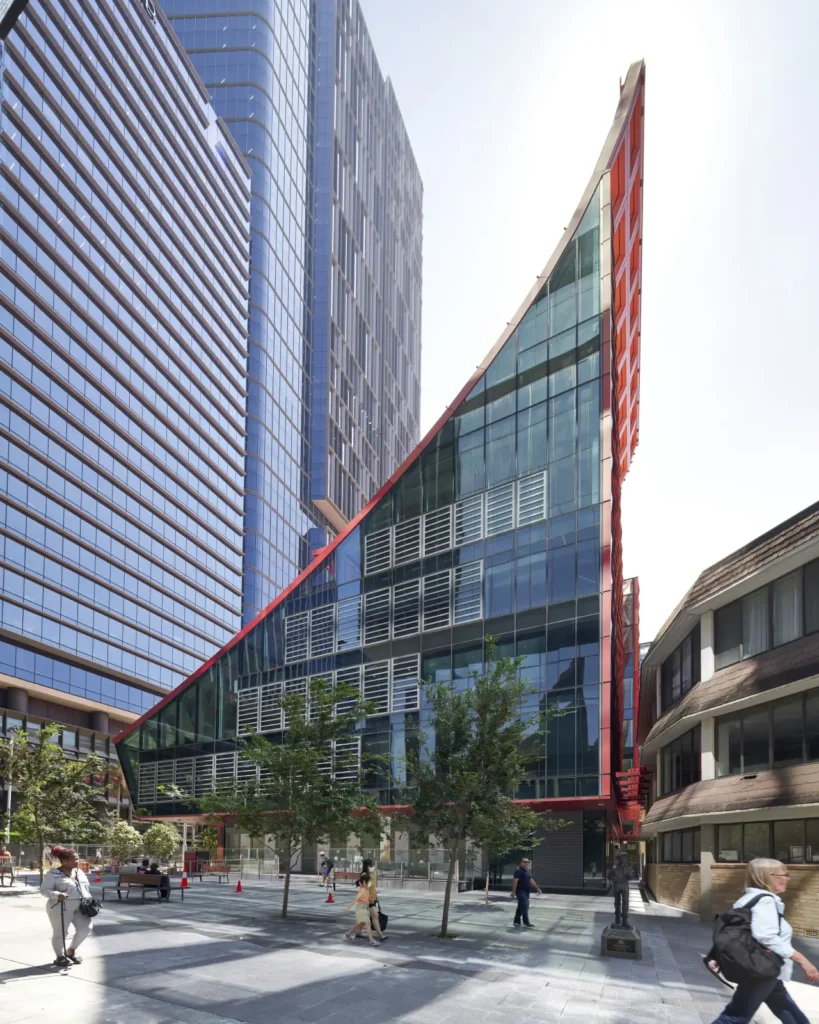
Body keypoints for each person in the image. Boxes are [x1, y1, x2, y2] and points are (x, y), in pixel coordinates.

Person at [710, 858, 819, 1024]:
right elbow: (766, 936)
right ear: (767, 877)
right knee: (734, 1018)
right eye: (784, 874)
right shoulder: (765, 901)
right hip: (761, 970)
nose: (787, 878)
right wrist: (802, 961)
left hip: (765, 969)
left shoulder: (747, 899)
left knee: (789, 1012)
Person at [41, 845, 93, 967]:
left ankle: (70, 951)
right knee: (60, 932)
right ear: (65, 861)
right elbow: (44, 890)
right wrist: (57, 894)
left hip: (81, 906)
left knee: (86, 929)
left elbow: (85, 887)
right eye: (75, 859)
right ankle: (60, 956)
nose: (78, 861)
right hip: (60, 906)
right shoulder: (53, 873)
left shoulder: (79, 872)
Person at [344, 874, 379, 946]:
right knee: (368, 923)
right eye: (368, 882)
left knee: (359, 923)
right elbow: (355, 899)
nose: (369, 884)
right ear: (363, 882)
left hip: (365, 908)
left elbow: (368, 898)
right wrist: (349, 908)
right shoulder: (362, 890)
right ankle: (371, 940)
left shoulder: (367, 889)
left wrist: (372, 900)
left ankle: (348, 933)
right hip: (360, 909)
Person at [510, 857, 542, 928]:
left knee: (521, 906)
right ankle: (526, 922)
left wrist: (537, 888)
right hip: (520, 891)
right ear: (520, 863)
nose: (526, 863)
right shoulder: (518, 871)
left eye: (527, 862)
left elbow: (531, 880)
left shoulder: (526, 872)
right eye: (524, 862)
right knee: (525, 905)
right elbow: (515, 881)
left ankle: (516, 921)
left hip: (526, 892)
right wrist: (513, 891)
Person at [362, 858, 386, 942]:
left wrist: (376, 897)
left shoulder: (372, 874)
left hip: (372, 898)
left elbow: (373, 887)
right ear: (367, 866)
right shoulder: (365, 875)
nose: (373, 867)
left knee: (364, 918)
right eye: (371, 865)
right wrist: (369, 898)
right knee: (375, 916)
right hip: (367, 899)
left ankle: (352, 932)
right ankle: (380, 935)